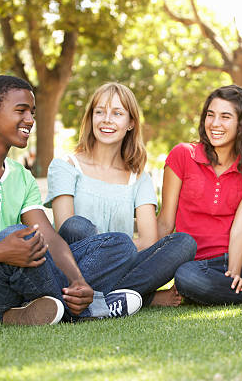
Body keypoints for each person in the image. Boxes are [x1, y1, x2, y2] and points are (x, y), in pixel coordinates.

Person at [0, 75, 141, 326]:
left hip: (17, 277)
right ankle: (93, 307)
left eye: (32, 112)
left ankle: (32, 310)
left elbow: (49, 236)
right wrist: (0, 251)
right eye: (21, 111)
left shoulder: (22, 177)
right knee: (19, 236)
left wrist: (78, 279)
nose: (30, 120)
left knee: (119, 245)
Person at [45, 82, 196, 307]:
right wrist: (115, 247)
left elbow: (148, 240)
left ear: (130, 123)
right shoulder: (65, 166)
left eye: (117, 113)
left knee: (184, 243)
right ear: (91, 118)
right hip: (77, 266)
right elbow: (67, 230)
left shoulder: (139, 178)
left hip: (123, 262)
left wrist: (117, 250)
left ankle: (103, 298)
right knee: (78, 226)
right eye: (100, 112)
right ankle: (139, 297)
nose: (107, 119)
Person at [157, 85, 242, 305]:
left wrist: (234, 272)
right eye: (210, 115)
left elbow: (241, 226)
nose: (215, 123)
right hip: (196, 263)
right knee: (186, 278)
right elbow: (165, 222)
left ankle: (237, 291)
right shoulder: (183, 155)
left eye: (225, 117)